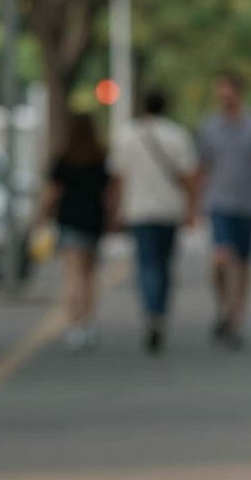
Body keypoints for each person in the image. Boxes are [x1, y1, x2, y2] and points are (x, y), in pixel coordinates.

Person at [109, 90, 199, 355]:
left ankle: (151, 312)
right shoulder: (178, 135)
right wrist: (192, 208)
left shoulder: (127, 135)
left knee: (147, 264)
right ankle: (159, 311)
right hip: (170, 210)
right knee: (164, 263)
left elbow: (118, 177)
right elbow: (189, 176)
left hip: (138, 210)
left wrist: (114, 211)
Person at [198, 74, 251, 350]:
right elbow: (201, 167)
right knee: (221, 258)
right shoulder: (209, 128)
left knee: (242, 264)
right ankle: (223, 307)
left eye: (227, 94)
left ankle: (234, 319)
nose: (223, 99)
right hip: (218, 203)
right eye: (219, 94)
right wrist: (193, 204)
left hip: (247, 203)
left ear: (239, 93)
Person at [41, 113, 114, 352]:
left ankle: (74, 326)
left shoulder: (63, 158)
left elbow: (53, 192)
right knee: (89, 276)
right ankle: (88, 323)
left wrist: (42, 216)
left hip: (69, 219)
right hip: (93, 220)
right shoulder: (100, 156)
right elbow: (109, 193)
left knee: (73, 276)